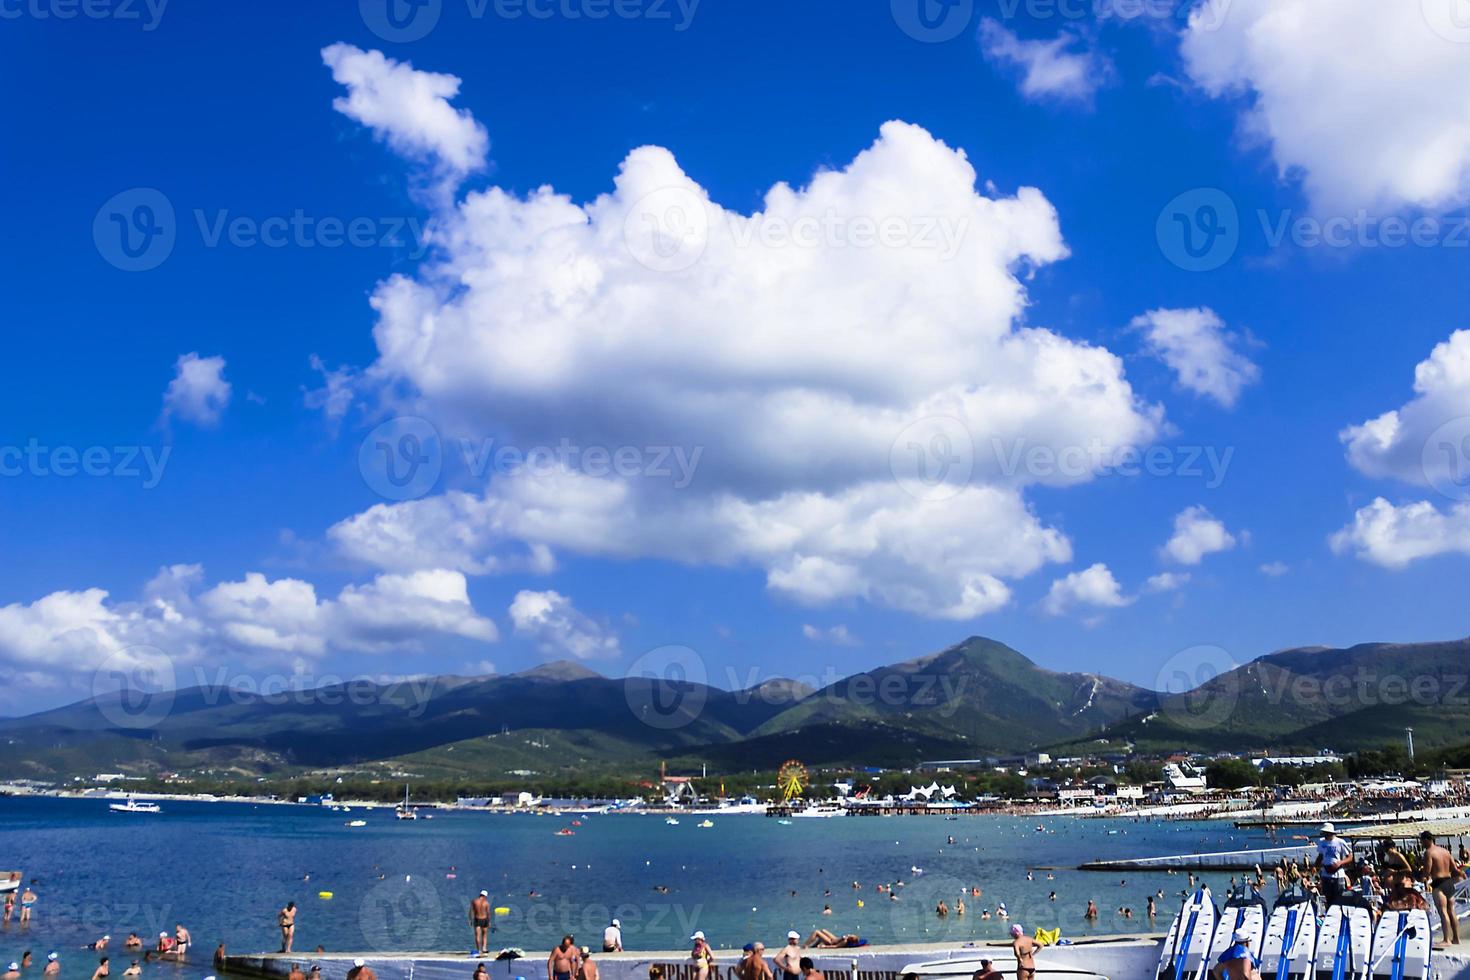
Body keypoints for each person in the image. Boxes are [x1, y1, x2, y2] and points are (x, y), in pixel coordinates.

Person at [1420, 831, 1464, 946]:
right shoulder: (1445, 852)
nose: (1421, 843)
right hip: (1448, 882)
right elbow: (1454, 869)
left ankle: (1446, 940)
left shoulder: (1429, 853)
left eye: (1422, 841)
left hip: (1438, 884)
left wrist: (1421, 876)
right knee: (1451, 911)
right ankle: (1456, 939)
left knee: (1443, 912)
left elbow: (1427, 871)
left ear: (1426, 840)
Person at [1314, 824, 1353, 908]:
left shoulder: (1340, 842)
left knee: (1339, 897)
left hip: (1338, 874)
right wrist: (1315, 866)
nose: (1325, 835)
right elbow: (1320, 856)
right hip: (1326, 873)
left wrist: (1340, 863)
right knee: (1328, 897)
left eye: (1326, 833)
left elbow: (1350, 857)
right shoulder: (1321, 842)